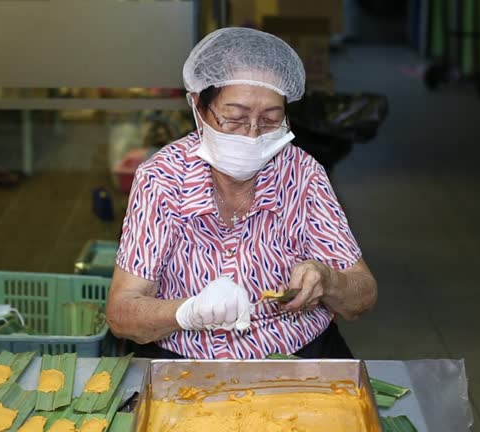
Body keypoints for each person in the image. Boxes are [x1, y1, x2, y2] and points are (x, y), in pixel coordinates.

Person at [107, 27, 377, 359]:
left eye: (270, 120)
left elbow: (362, 296)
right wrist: (186, 312)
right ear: (198, 106)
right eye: (234, 118)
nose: (251, 135)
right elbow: (121, 314)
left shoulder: (302, 174)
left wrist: (328, 281)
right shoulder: (162, 177)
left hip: (297, 352)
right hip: (186, 359)